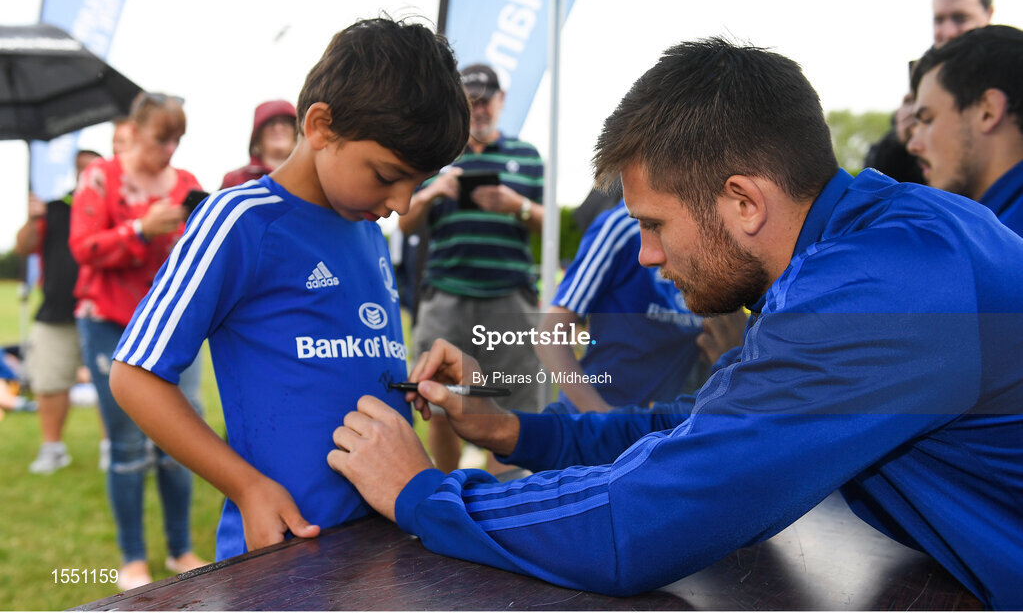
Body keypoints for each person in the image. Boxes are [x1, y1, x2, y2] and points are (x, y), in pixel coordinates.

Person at [326, 38, 1023, 610]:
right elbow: (704, 427)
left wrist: (423, 494)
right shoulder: (859, 248)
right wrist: (517, 432)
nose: (645, 255)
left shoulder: (885, 286)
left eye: (653, 224)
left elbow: (641, 523)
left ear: (743, 203)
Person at [108, 18, 470, 563]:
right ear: (322, 126)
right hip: (286, 556)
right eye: (386, 174)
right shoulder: (240, 221)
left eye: (416, 184)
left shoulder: (370, 232)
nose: (402, 204)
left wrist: (426, 395)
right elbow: (135, 374)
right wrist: (247, 487)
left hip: (385, 553)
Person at [70, 92, 208, 590]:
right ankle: (131, 558)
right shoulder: (100, 177)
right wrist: (139, 230)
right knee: (127, 445)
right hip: (109, 323)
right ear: (137, 128)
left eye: (178, 139)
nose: (170, 149)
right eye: (161, 137)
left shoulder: (187, 184)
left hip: (171, 326)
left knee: (180, 439)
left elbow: (202, 254)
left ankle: (181, 549)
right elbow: (83, 248)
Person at [398, 63, 546, 473]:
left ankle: (507, 510)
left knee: (511, 406)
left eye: (486, 102)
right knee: (441, 402)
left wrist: (513, 204)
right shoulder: (435, 157)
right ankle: (450, 498)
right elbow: (402, 222)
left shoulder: (527, 155)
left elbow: (552, 227)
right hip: (446, 295)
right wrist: (432, 192)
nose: (479, 111)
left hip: (510, 299)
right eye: (470, 103)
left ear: (501, 101)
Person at [535, 199, 707, 413]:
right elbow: (548, 335)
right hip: (595, 419)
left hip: (657, 428)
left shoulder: (706, 227)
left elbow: (725, 343)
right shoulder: (620, 227)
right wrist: (603, 416)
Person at [865, 0, 994, 184]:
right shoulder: (923, 84)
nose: (948, 31)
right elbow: (880, 179)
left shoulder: (1011, 72)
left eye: (960, 18)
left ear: (988, 14)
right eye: (939, 20)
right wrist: (900, 138)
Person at [15, 149, 99, 474]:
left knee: (110, 384)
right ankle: (52, 448)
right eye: (80, 169)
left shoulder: (109, 208)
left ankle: (113, 447)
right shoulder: (53, 209)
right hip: (55, 310)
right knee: (50, 382)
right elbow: (23, 246)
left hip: (100, 310)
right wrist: (32, 217)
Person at [908, 25, 1023, 236]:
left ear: (987, 111)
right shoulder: (991, 228)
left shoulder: (1001, 242)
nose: (913, 145)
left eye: (927, 119)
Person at [220, 100, 298, 189]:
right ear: (258, 134)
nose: (278, 128)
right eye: (270, 123)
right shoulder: (235, 179)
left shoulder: (308, 175)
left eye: (285, 122)